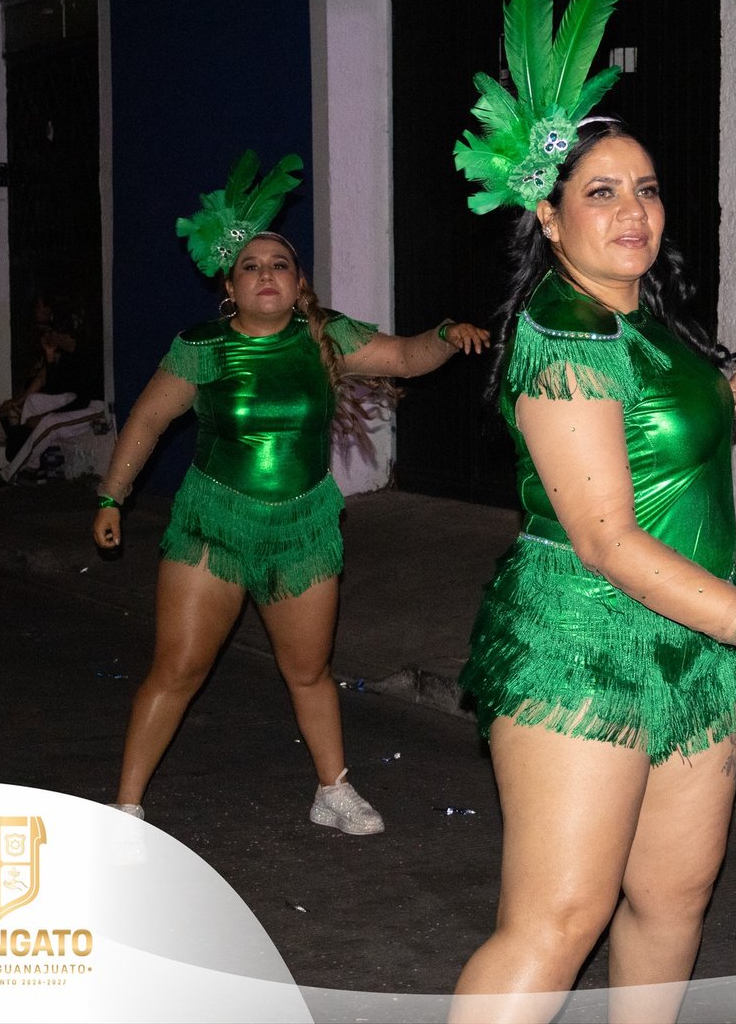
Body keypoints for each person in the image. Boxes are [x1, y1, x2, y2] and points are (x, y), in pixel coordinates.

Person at [447, 0, 736, 1022]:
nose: (633, 211)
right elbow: (604, 537)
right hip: (585, 637)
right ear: (549, 218)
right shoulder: (564, 331)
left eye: (645, 189)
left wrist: (718, 406)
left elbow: (639, 439)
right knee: (558, 918)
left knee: (671, 899)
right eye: (601, 193)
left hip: (690, 640)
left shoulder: (640, 313)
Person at [92, 152, 489, 833]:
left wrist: (447, 335)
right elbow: (149, 420)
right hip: (214, 524)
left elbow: (403, 356)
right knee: (178, 668)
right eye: (251, 266)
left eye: (279, 264)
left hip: (303, 527)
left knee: (309, 670)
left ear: (298, 281)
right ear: (230, 285)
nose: (266, 274)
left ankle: (333, 790)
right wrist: (112, 496)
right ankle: (125, 805)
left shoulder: (325, 337)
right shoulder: (202, 347)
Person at [0, 292, 93, 462]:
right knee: (30, 403)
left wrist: (43, 417)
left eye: (52, 332)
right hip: (70, 399)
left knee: (45, 421)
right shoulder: (65, 353)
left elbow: (83, 400)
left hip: (90, 407)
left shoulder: (85, 353)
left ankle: (20, 460)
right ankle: (27, 461)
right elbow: (54, 386)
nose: (49, 336)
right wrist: (49, 356)